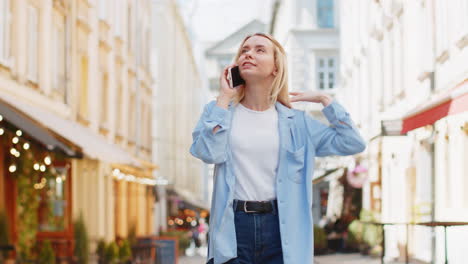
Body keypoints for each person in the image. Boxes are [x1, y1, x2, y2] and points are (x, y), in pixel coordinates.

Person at [190, 33, 366, 264]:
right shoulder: (219, 112)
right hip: (233, 228)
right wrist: (224, 98)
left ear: (276, 67)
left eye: (259, 50)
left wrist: (325, 99)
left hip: (283, 230)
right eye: (244, 50)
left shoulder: (299, 123)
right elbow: (207, 153)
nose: (249, 54)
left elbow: (353, 142)